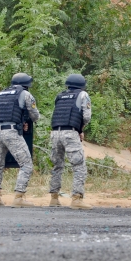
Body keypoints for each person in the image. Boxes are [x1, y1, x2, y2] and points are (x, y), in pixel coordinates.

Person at [0, 73, 40, 208]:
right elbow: (35, 115)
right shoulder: (25, 94)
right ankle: (18, 197)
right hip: (11, 133)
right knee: (26, 164)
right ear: (25, 85)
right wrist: (26, 120)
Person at [48, 74, 92, 210]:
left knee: (57, 165)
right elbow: (86, 116)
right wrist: (80, 129)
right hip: (70, 133)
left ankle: (54, 198)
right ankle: (77, 199)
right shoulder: (83, 95)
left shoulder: (60, 96)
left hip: (55, 133)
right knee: (79, 166)